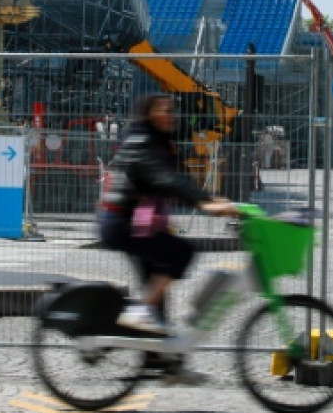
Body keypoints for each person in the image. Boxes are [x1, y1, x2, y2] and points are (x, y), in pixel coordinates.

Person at [99, 94, 237, 341]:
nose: (171, 116)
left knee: (157, 289)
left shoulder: (158, 142)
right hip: (121, 223)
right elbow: (164, 180)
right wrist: (204, 203)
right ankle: (140, 314)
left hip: (135, 224)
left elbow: (180, 180)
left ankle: (161, 361)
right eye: (165, 111)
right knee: (182, 252)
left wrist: (210, 199)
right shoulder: (142, 142)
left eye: (172, 111)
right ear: (150, 114)